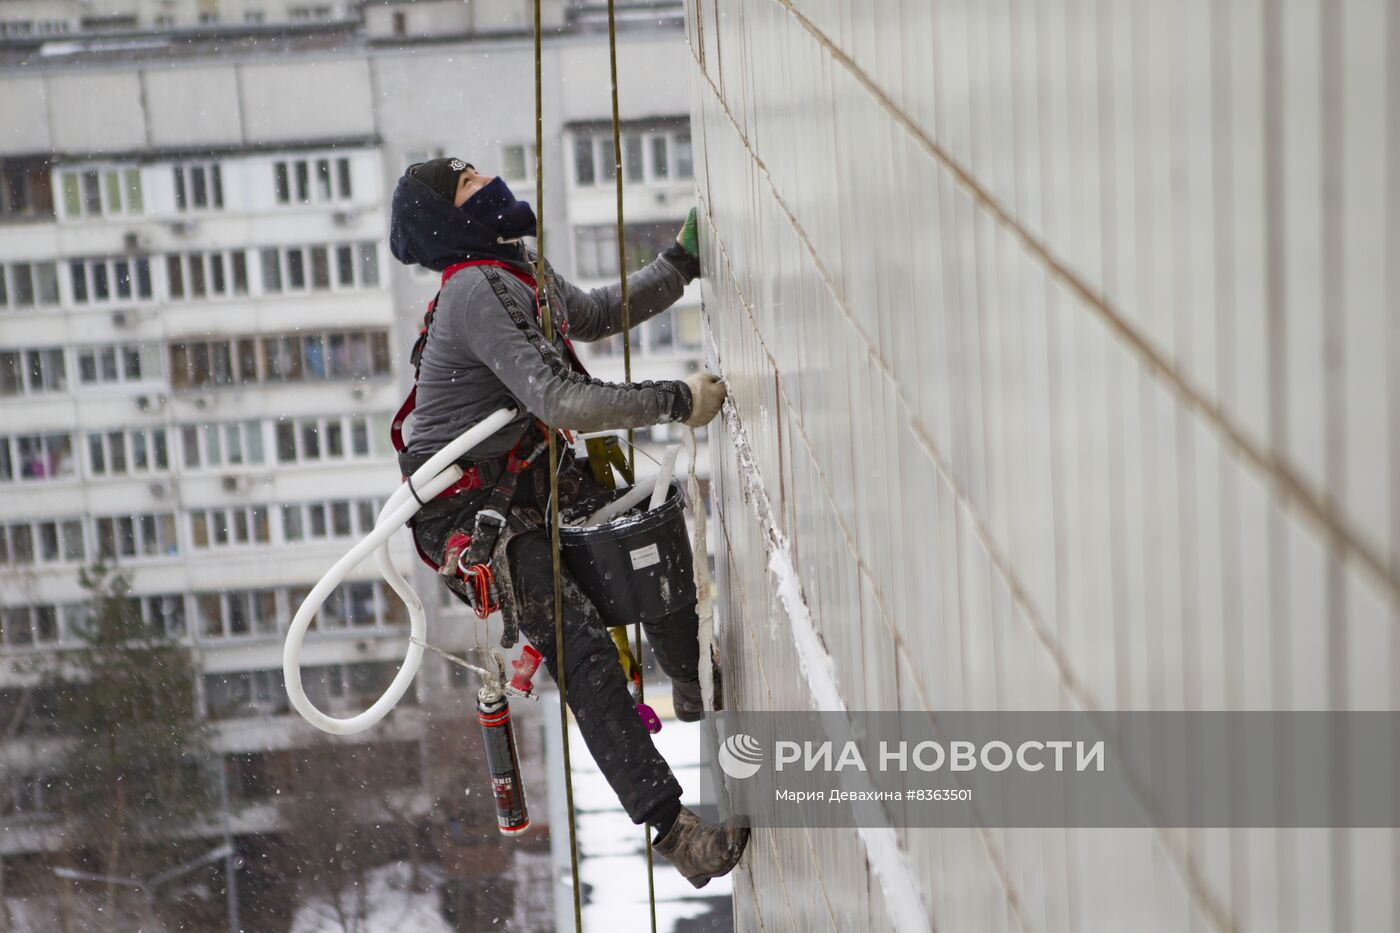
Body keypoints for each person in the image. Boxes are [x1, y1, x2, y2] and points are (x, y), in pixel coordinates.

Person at [388, 157, 748, 887]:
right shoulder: (471, 293)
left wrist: (679, 266)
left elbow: (589, 315)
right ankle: (673, 829)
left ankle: (687, 678)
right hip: (473, 512)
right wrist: (675, 400)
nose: (486, 179)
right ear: (451, 219)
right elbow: (563, 400)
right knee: (580, 647)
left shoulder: (511, 265)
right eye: (467, 184)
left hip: (525, 472)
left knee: (650, 532)